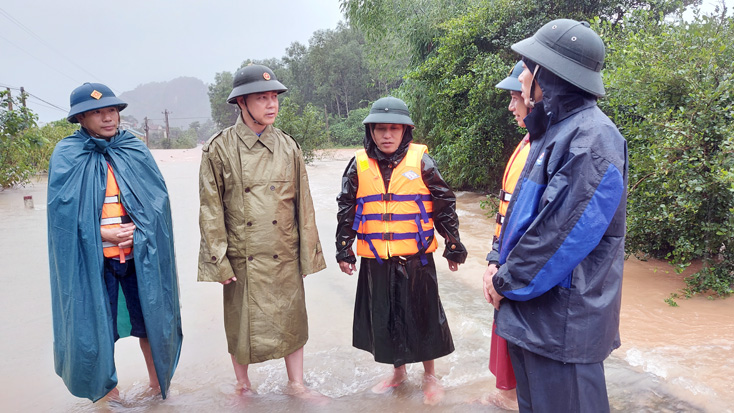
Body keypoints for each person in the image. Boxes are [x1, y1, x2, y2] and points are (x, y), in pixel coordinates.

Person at [484, 19, 628, 412]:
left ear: (548, 74)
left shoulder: (593, 139)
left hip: (563, 327)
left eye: (529, 67)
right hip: (535, 320)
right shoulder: (551, 133)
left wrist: (506, 280)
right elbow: (521, 217)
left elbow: (562, 234)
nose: (523, 76)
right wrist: (497, 261)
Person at [47, 82, 183, 403]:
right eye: (97, 112)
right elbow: (62, 221)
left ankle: (156, 389)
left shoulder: (133, 149)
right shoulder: (68, 155)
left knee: (151, 322)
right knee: (96, 329)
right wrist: (101, 233)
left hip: (139, 258)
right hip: (96, 261)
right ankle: (109, 397)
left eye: (111, 110)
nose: (107, 118)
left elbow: (157, 206)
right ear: (80, 118)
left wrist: (141, 229)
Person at [197, 64, 326, 398]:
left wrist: (308, 256)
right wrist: (218, 261)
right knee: (240, 325)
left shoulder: (288, 147)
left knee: (292, 320)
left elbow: (304, 207)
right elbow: (211, 210)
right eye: (262, 98)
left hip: (283, 251)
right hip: (243, 256)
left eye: (274, 97)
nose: (272, 105)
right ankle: (243, 386)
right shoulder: (218, 149)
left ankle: (296, 384)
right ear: (241, 103)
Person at [336, 96, 467, 405]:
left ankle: (430, 375)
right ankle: (398, 373)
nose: (387, 135)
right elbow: (346, 207)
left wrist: (453, 242)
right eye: (380, 129)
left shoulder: (422, 162)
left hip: (416, 258)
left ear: (406, 131)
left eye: (394, 128)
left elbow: (444, 204)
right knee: (388, 317)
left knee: (424, 317)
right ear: (370, 131)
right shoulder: (358, 164)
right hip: (377, 258)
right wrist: (344, 247)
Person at [481, 60, 531, 411]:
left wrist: (505, 273)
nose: (511, 106)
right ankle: (505, 397)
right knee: (507, 345)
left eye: (516, 97)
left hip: (520, 273)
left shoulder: (548, 147)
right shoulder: (531, 142)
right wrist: (493, 260)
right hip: (507, 266)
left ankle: (508, 399)